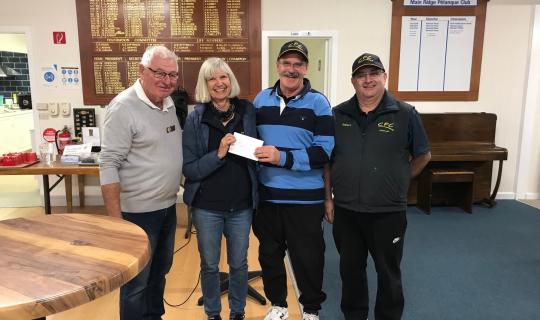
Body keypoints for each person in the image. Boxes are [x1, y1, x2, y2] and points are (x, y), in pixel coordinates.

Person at [324, 53, 431, 320]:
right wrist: (328, 199)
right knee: (350, 271)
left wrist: (401, 180)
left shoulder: (405, 113)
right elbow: (327, 160)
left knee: (388, 272)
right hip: (347, 210)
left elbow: (423, 154)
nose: (368, 79)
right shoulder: (337, 114)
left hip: (388, 211)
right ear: (353, 81)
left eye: (374, 73)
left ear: (384, 77)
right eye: (361, 74)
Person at [253, 40, 334, 320]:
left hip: (305, 200)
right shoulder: (260, 100)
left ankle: (311, 309)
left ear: (306, 68)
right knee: (270, 257)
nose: (292, 69)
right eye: (286, 63)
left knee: (309, 258)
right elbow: (252, 144)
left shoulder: (320, 103)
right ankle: (279, 305)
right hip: (267, 198)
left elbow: (323, 152)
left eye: (298, 64)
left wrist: (281, 158)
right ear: (277, 66)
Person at [99, 45, 182, 320]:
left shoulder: (168, 104)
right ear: (141, 71)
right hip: (137, 215)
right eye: (160, 73)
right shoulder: (123, 107)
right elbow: (109, 163)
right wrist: (116, 223)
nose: (167, 81)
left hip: (168, 208)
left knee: (160, 271)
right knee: (136, 282)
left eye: (172, 75)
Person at [182, 57, 258, 320]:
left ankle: (238, 313)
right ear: (205, 84)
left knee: (239, 265)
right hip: (207, 208)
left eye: (223, 76)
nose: (219, 83)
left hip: (241, 206)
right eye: (211, 78)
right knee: (210, 266)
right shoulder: (195, 119)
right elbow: (190, 169)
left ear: (230, 80)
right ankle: (212, 313)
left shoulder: (248, 111)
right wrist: (219, 153)